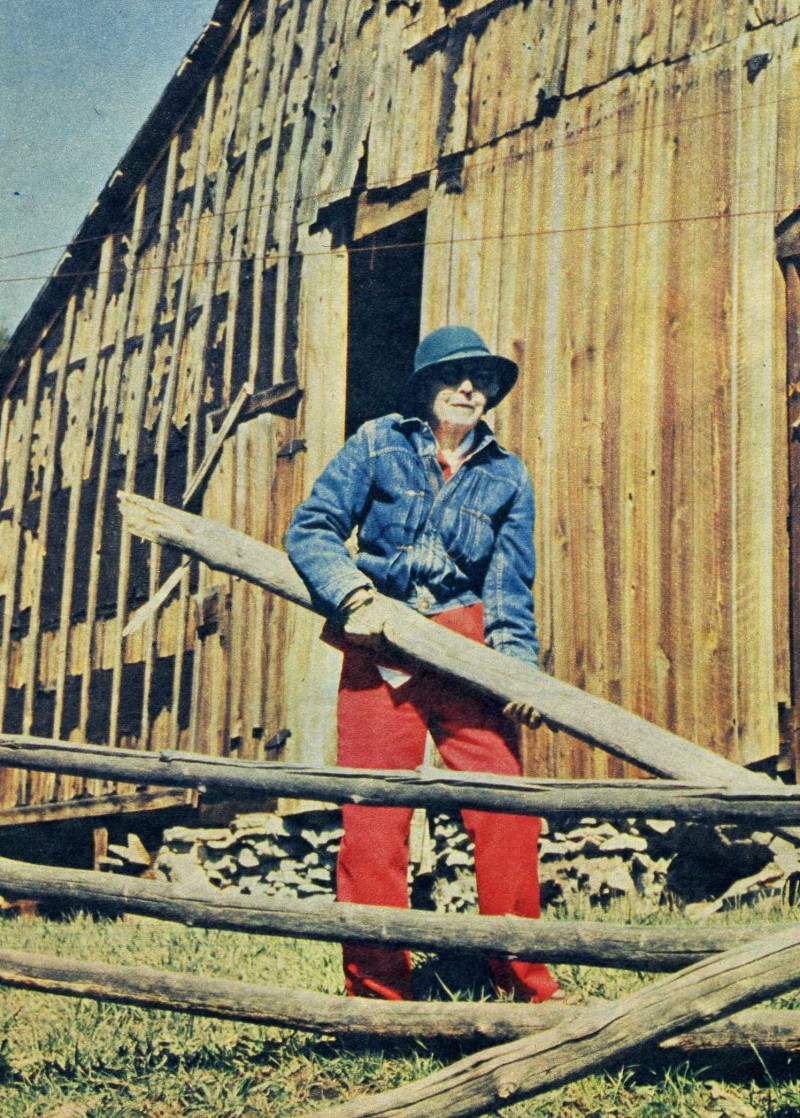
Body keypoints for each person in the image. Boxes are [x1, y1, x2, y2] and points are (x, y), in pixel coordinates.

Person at [285, 325, 560, 1003]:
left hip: (468, 649)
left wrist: (516, 667)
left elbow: (508, 584)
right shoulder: (378, 442)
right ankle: (378, 995)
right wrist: (353, 596)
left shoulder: (507, 472)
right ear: (426, 386)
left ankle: (525, 985)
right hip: (380, 642)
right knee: (374, 818)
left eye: (482, 378)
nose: (469, 388)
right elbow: (312, 528)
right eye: (453, 375)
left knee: (508, 810)